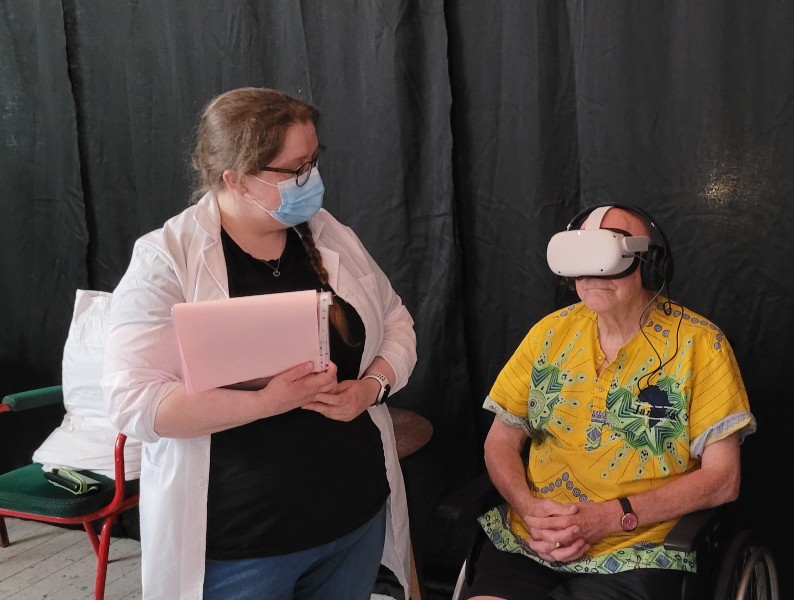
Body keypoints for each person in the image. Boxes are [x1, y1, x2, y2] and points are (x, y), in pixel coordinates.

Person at [101, 87, 417, 600]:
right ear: (234, 176)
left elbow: (397, 321)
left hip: (353, 519)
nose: (309, 180)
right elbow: (135, 403)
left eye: (313, 162)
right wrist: (267, 402)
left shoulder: (326, 233)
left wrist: (372, 387)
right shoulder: (168, 259)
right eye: (293, 170)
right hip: (244, 546)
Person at [463, 204, 756, 600]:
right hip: (533, 540)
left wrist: (611, 518)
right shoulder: (548, 334)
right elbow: (500, 441)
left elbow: (723, 479)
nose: (594, 273)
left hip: (639, 552)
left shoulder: (700, 345)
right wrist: (528, 506)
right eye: (583, 258)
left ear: (649, 265)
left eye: (610, 257)